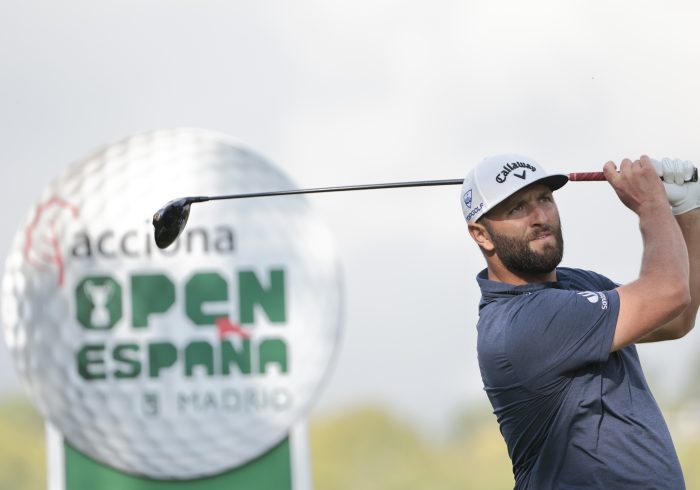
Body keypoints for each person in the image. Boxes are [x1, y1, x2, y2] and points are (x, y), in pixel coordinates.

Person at [461, 154, 700, 489]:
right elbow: (669, 293)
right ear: (481, 235)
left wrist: (687, 210)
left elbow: (677, 318)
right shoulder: (519, 322)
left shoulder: (577, 285)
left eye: (544, 199)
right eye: (517, 208)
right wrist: (651, 205)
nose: (540, 217)